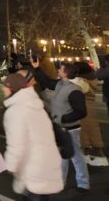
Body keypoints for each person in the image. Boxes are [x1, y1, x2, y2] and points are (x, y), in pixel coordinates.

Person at [1, 70, 63, 200]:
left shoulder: (15, 111)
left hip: (32, 168)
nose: (2, 88)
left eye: (5, 86)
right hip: (46, 164)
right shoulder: (36, 105)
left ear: (13, 88)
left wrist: (10, 165)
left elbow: (16, 145)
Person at [29, 58, 89, 193]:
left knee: (76, 156)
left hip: (70, 128)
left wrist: (63, 118)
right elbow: (47, 82)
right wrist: (37, 68)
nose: (58, 70)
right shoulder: (60, 84)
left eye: (60, 69)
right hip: (60, 127)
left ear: (66, 74)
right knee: (62, 156)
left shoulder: (74, 90)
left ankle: (83, 183)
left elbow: (81, 112)